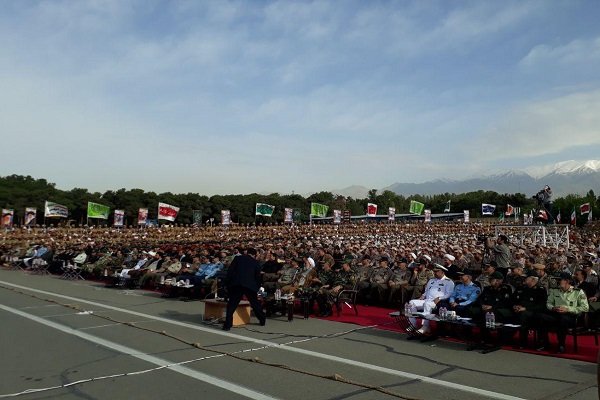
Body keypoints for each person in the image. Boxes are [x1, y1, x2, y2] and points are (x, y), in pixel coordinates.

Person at [536, 273, 589, 353]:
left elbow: (585, 308)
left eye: (560, 280)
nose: (557, 282)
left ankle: (561, 345)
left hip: (570, 316)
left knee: (563, 319)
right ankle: (544, 343)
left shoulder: (578, 292)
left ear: (567, 281)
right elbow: (548, 303)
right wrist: (553, 308)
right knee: (541, 316)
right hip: (556, 314)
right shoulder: (554, 290)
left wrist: (568, 309)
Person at [222, 248, 266, 331]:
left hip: (237, 284)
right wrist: (257, 287)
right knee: (254, 303)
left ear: (247, 253)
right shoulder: (256, 262)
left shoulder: (238, 258)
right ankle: (262, 319)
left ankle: (227, 325)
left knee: (232, 305)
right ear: (254, 255)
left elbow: (230, 271)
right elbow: (257, 277)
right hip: (250, 285)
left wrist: (227, 283)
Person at [407, 264, 455, 335]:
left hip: (436, 303)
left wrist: (440, 298)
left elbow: (449, 294)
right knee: (411, 302)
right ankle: (413, 324)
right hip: (427, 300)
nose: (435, 273)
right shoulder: (432, 280)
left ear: (442, 272)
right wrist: (422, 296)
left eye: (437, 271)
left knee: (427, 304)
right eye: (434, 271)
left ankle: (425, 326)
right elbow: (427, 291)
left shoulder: (449, 282)